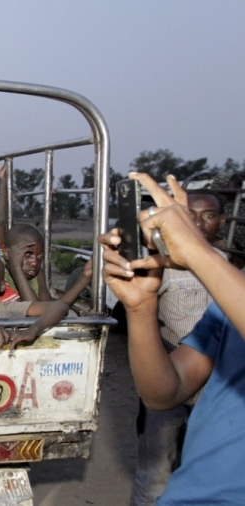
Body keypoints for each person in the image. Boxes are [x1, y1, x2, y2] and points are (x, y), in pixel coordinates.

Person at [100, 172, 245, 505]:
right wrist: (141, 307)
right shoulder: (232, 288)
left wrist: (196, 252)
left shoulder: (220, 269)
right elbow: (165, 393)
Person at [130, 188, 227, 506]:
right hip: (172, 373)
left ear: (221, 222)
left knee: (203, 471)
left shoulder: (224, 265)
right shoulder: (160, 264)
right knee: (156, 474)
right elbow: (143, 319)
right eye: (190, 215)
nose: (199, 222)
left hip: (215, 386)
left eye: (208, 215)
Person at [2, 224, 93, 306]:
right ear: (7, 254)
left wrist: (85, 277)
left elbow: (49, 309)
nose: (35, 262)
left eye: (40, 257)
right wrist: (16, 267)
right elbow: (33, 312)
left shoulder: (37, 274)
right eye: (28, 255)